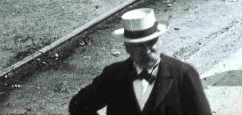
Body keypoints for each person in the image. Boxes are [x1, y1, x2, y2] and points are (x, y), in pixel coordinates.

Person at [69, 8, 211, 115]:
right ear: (127, 47)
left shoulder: (183, 75)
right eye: (138, 45)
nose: (147, 50)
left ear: (160, 41)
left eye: (151, 42)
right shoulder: (113, 76)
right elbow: (78, 105)